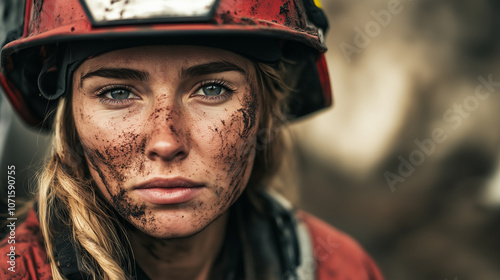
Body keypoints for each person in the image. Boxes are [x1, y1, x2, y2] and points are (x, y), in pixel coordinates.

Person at [0, 0, 383, 279]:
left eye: (212, 89)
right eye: (118, 93)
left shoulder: (340, 269)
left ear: (267, 109)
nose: (166, 143)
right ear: (70, 121)